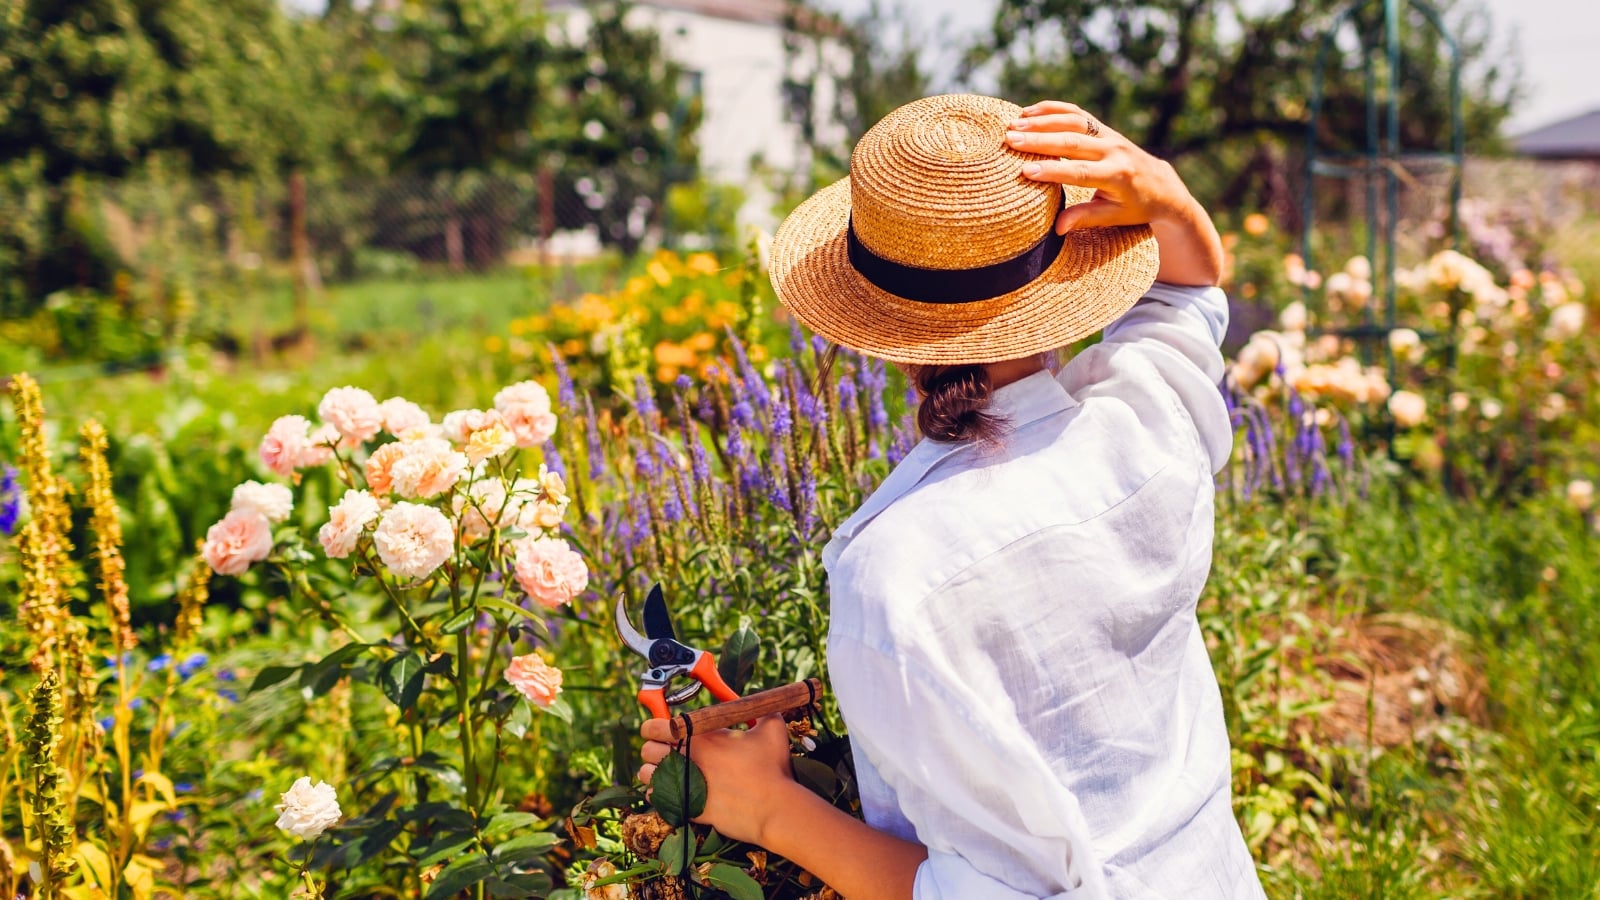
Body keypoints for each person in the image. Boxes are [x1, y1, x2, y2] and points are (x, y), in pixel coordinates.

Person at [638, 94, 1266, 900]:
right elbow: (1189, 296)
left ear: (877, 328)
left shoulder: (895, 577)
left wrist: (766, 807)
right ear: (1062, 280)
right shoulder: (1143, 429)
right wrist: (1168, 195)